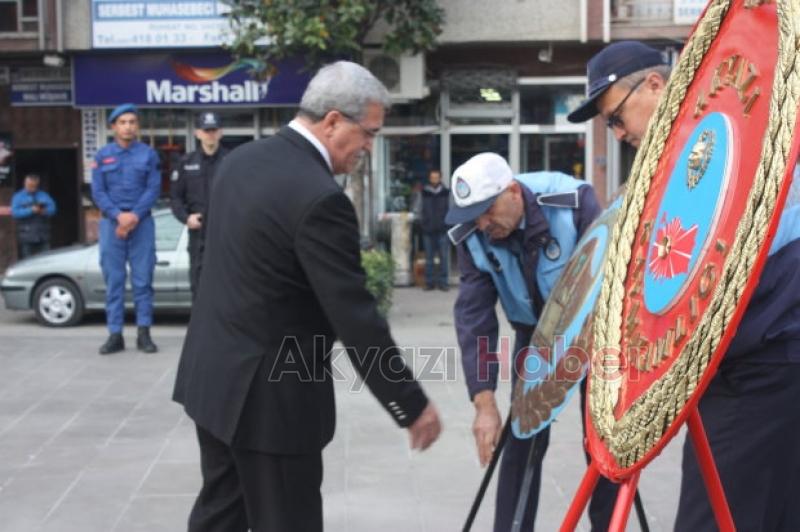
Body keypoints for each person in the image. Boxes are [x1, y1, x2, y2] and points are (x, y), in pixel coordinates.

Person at [172, 61, 442, 532]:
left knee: (221, 517)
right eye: (369, 133)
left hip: (213, 380)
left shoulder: (239, 162)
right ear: (333, 120)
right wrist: (409, 402)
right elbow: (354, 316)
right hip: (271, 406)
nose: (368, 147)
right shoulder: (320, 199)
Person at [569, 41, 800, 530]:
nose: (617, 133)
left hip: (757, 362)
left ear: (655, 84)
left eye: (616, 117)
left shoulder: (721, 136)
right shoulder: (694, 147)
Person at [447, 152, 617, 531]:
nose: (483, 224)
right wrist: (484, 401)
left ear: (512, 192)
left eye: (488, 212)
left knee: (603, 441)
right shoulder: (474, 234)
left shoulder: (572, 202)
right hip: (532, 337)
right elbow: (475, 318)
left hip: (594, 333)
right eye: (474, 216)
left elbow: (612, 274)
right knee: (522, 442)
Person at [91, 103, 160, 355]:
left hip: (142, 224)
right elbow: (98, 191)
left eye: (132, 122)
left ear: (137, 126)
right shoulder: (102, 156)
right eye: (123, 122)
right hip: (112, 224)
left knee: (143, 281)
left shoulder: (149, 154)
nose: (128, 126)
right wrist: (119, 216)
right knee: (114, 281)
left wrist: (133, 216)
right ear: (113, 127)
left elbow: (153, 189)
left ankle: (144, 333)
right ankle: (115, 335)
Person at [170, 111, 229, 299]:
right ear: (197, 133)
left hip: (225, 232)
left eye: (213, 130)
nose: (210, 134)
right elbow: (175, 198)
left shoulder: (232, 160)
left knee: (227, 282)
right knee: (198, 283)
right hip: (198, 233)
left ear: (220, 132)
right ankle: (201, 327)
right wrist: (186, 218)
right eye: (206, 130)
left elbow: (243, 195)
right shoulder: (186, 163)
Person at [11, 173, 56, 259]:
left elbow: (53, 209)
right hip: (26, 235)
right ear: (25, 183)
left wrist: (44, 211)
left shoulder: (44, 195)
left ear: (37, 185)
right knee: (28, 261)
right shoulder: (18, 197)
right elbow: (15, 213)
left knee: (46, 260)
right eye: (29, 185)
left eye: (34, 186)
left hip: (42, 235)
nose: (31, 188)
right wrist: (30, 210)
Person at [421, 169, 450, 290]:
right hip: (428, 230)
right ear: (429, 178)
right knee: (429, 259)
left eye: (436, 177)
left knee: (444, 258)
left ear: (440, 178)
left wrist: (448, 224)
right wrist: (423, 224)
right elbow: (418, 209)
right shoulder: (423, 193)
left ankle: (443, 282)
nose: (434, 180)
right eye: (432, 177)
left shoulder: (446, 193)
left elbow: (451, 210)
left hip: (442, 230)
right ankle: (429, 282)